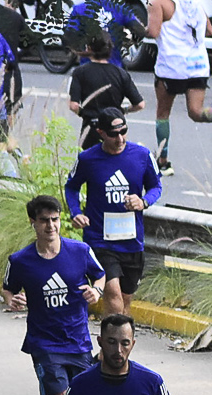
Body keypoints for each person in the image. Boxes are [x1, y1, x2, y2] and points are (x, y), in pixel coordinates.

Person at [1, 195, 104, 395]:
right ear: (32, 222)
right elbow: (8, 289)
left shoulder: (80, 251)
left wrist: (96, 291)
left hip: (78, 340)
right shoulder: (20, 261)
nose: (51, 226)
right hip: (44, 344)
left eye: (55, 219)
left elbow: (100, 275)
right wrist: (12, 300)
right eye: (44, 220)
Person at [63, 108, 162, 316]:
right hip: (100, 240)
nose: (120, 139)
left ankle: (116, 336)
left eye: (123, 132)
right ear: (100, 133)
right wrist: (75, 212)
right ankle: (113, 336)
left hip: (131, 240)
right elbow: (71, 187)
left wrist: (143, 202)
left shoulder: (142, 155)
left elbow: (156, 186)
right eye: (113, 134)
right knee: (113, 295)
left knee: (125, 301)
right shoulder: (88, 159)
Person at [145, 0, 212, 177]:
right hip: (198, 65)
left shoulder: (157, 3)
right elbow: (209, 30)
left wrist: (139, 29)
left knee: (163, 114)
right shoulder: (196, 3)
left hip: (172, 65)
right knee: (195, 111)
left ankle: (163, 162)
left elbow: (153, 32)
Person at [68, 35, 144, 149]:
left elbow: (73, 105)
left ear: (89, 48)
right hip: (115, 130)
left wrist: (84, 113)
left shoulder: (80, 72)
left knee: (89, 159)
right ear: (110, 50)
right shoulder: (121, 73)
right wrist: (123, 110)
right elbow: (140, 104)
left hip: (91, 128)